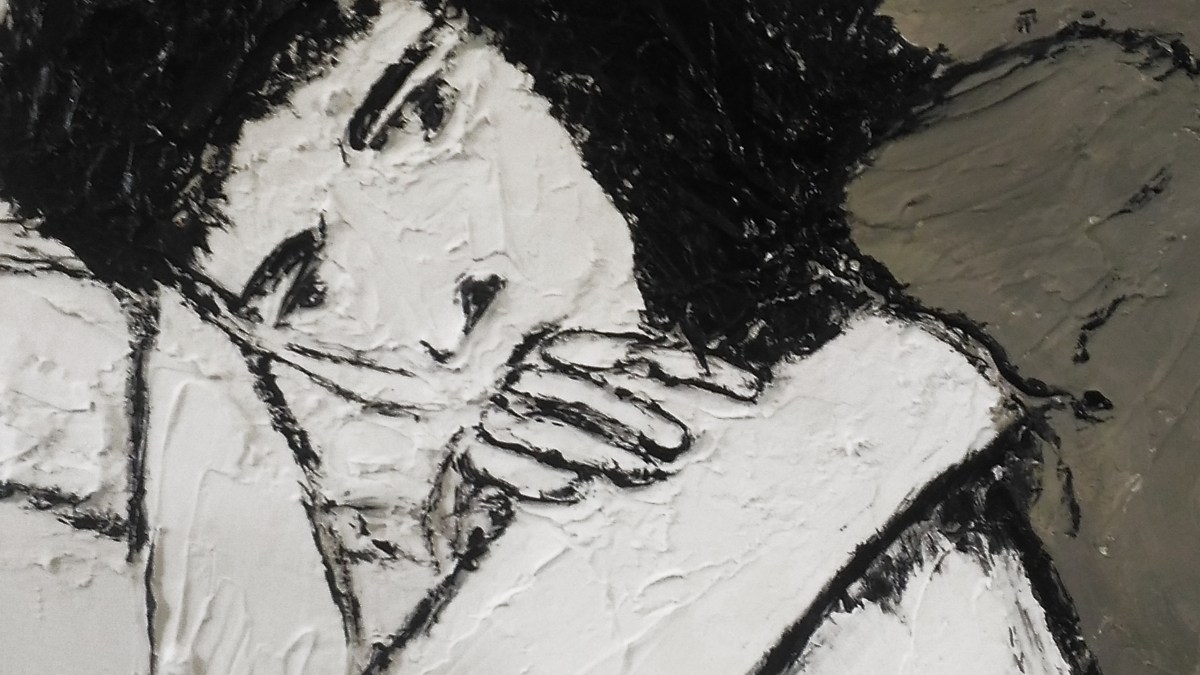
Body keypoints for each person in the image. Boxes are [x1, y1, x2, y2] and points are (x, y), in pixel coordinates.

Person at [0, 1, 1104, 673]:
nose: (446, 311)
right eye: (306, 285)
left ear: (530, 44)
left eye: (422, 120)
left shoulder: (964, 210)